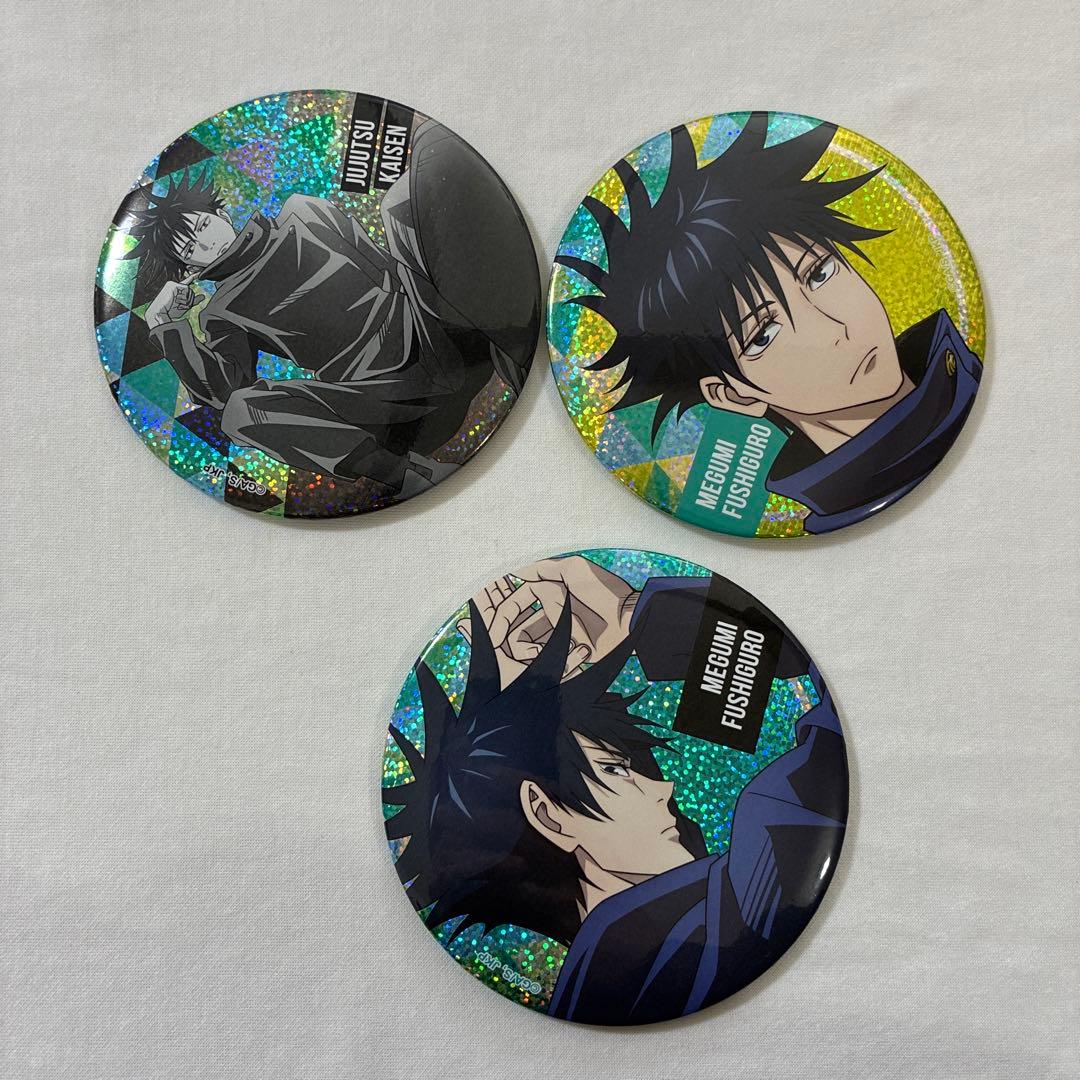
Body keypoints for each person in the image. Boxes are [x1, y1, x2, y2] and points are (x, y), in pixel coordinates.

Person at [384, 556, 847, 1023]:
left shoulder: (631, 960)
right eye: (617, 769)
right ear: (547, 814)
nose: (665, 787)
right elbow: (819, 761)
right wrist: (640, 617)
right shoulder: (683, 940)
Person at [556, 112, 982, 532]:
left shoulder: (965, 363)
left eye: (819, 272)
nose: (833, 329)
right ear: (733, 395)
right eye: (763, 334)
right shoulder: (801, 512)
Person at [124, 120, 536, 494]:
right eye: (191, 249)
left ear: (221, 213)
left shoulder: (301, 212)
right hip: (384, 403)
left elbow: (381, 263)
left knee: (401, 200)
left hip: (432, 332)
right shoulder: (219, 313)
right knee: (240, 413)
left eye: (201, 226)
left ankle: (510, 348)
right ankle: (405, 474)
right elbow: (224, 390)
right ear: (188, 268)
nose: (207, 244)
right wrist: (166, 326)